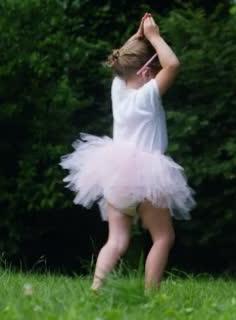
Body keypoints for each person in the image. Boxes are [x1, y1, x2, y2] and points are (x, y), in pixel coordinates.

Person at [59, 13, 195, 290]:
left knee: (117, 240)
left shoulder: (117, 88)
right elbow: (174, 64)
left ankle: (96, 288)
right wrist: (154, 37)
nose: (158, 74)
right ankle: (150, 294)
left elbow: (124, 63)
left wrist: (137, 37)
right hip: (148, 178)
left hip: (117, 175)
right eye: (154, 71)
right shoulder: (148, 95)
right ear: (146, 73)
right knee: (162, 238)